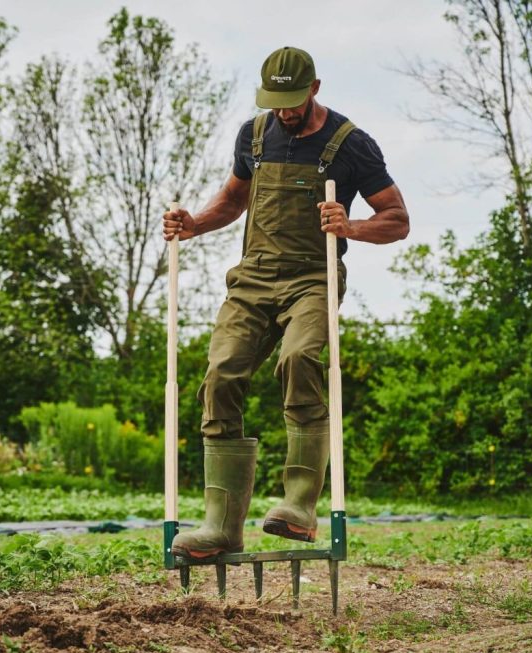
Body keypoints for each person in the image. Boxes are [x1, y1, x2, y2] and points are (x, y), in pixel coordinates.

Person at [162, 46, 410, 559]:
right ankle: (221, 526)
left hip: (311, 278)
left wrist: (351, 227)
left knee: (298, 359)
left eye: (293, 101)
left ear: (315, 88)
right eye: (276, 101)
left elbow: (397, 219)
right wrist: (195, 225)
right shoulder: (254, 136)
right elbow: (233, 200)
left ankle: (299, 505)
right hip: (253, 278)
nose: (285, 111)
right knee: (222, 373)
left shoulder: (350, 143)